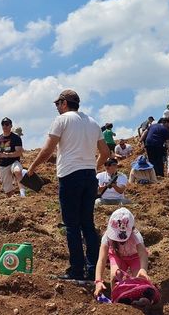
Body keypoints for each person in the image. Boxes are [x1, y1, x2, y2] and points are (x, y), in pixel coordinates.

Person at [28, 89, 109, 281]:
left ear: (64, 103)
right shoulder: (93, 122)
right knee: (88, 224)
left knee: (72, 226)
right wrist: (93, 166)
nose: (57, 107)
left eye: (58, 104)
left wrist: (31, 168)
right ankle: (93, 271)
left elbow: (48, 149)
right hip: (89, 176)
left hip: (70, 176)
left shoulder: (62, 120)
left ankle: (76, 270)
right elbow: (105, 152)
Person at [93, 208, 150, 298]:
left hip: (135, 257)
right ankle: (115, 298)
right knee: (115, 276)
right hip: (117, 256)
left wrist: (143, 269)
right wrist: (98, 281)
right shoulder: (107, 237)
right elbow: (102, 259)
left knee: (138, 280)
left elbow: (143, 254)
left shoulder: (135, 235)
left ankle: (137, 299)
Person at [0, 117, 24, 197]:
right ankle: (13, 201)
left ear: (11, 126)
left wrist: (7, 155)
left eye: (7, 124)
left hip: (14, 162)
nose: (4, 126)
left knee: (17, 171)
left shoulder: (16, 138)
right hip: (2, 165)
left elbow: (19, 152)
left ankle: (23, 195)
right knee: (7, 190)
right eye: (3, 124)